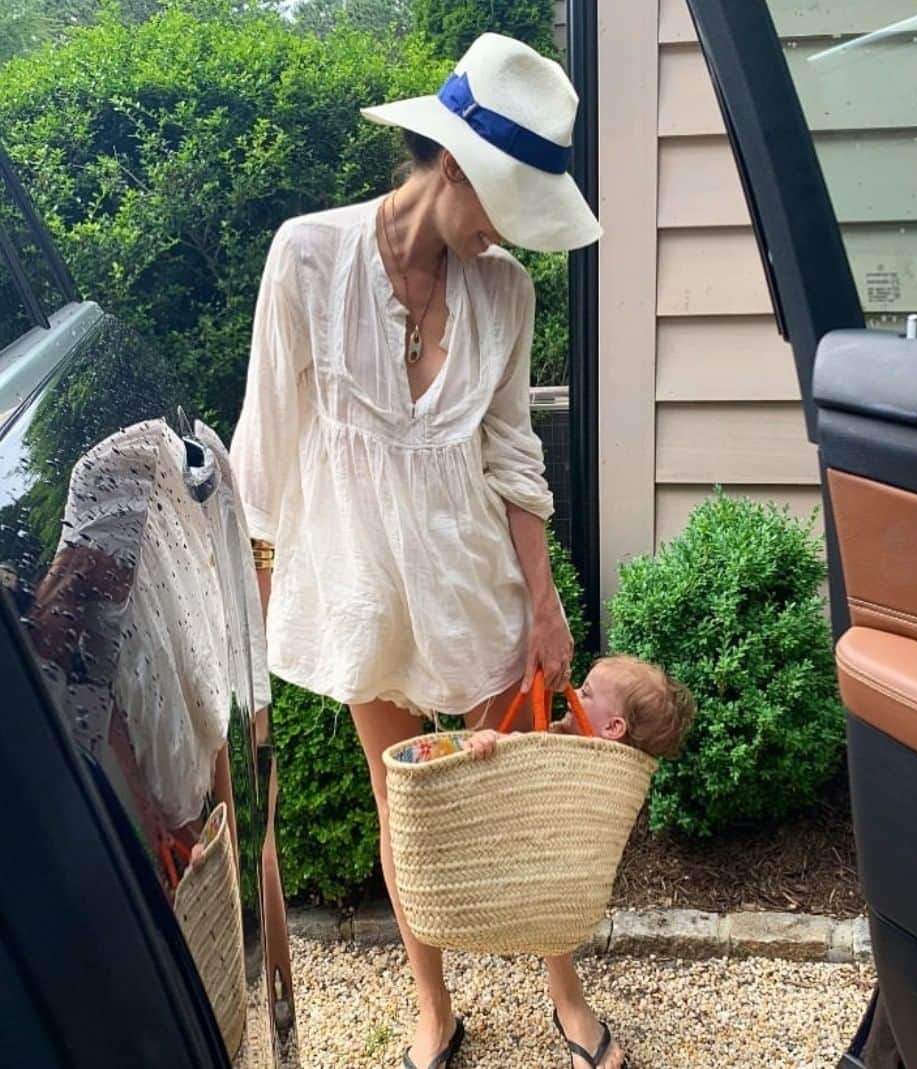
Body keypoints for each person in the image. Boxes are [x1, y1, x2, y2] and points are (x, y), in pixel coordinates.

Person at [229, 30, 624, 1069]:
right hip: (361, 586)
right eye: (503, 207)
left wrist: (544, 603)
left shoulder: (507, 295)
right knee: (404, 806)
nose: (509, 239)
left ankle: (562, 986)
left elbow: (511, 456)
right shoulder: (307, 258)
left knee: (519, 794)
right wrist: (245, 614)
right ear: (450, 163)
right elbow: (263, 450)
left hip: (471, 581)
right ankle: (433, 1007)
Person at [464, 655, 698, 760]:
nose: (572, 694)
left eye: (585, 694)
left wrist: (491, 739)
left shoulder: (569, 756)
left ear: (613, 727)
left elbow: (518, 751)